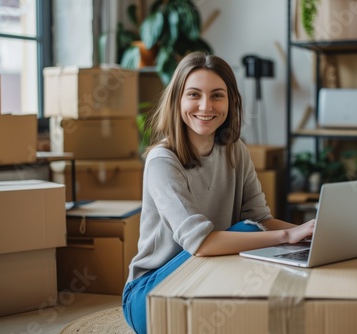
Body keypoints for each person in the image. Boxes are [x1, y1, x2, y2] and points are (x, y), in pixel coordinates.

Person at [122, 51, 315, 334]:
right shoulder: (163, 160)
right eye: (194, 94)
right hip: (151, 294)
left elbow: (262, 218)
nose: (205, 106)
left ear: (230, 101)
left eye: (217, 95)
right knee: (249, 232)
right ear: (177, 100)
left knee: (262, 243)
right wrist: (286, 236)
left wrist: (309, 233)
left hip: (207, 278)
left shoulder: (236, 151)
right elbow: (201, 244)